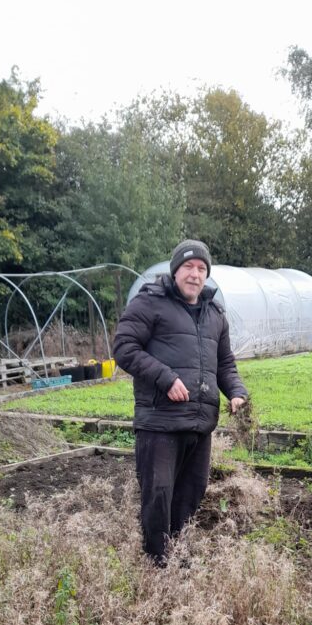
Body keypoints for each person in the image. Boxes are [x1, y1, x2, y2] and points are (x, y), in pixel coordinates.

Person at [113, 239, 247, 565]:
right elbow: (124, 347)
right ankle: (157, 563)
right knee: (158, 494)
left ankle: (178, 554)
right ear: (175, 270)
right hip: (160, 421)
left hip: (199, 422)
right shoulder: (151, 302)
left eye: (202, 269)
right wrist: (165, 377)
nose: (195, 274)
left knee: (192, 492)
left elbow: (224, 362)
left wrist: (237, 392)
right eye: (188, 266)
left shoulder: (215, 313)